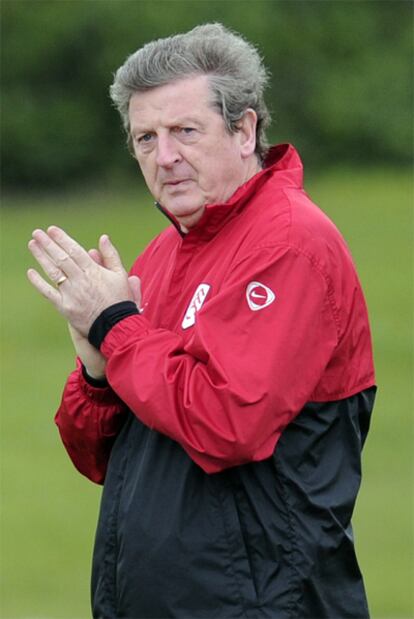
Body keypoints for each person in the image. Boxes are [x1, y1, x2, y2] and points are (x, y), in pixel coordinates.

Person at [27, 23, 376, 619]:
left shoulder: (290, 244)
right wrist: (95, 372)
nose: (164, 158)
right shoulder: (165, 253)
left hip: (261, 605)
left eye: (185, 131)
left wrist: (117, 326)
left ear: (244, 131)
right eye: (144, 138)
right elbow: (100, 459)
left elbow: (228, 421)